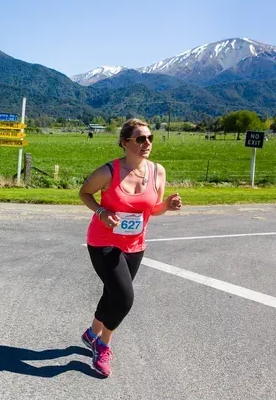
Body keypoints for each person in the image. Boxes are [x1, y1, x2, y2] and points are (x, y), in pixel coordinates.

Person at [78, 118, 182, 378]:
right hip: (103, 241)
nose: (147, 143)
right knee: (124, 298)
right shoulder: (108, 172)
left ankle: (91, 333)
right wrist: (101, 212)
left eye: (150, 138)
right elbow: (84, 193)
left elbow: (153, 209)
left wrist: (166, 206)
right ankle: (102, 344)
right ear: (125, 143)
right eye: (140, 139)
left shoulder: (157, 171)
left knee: (112, 292)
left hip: (135, 244)